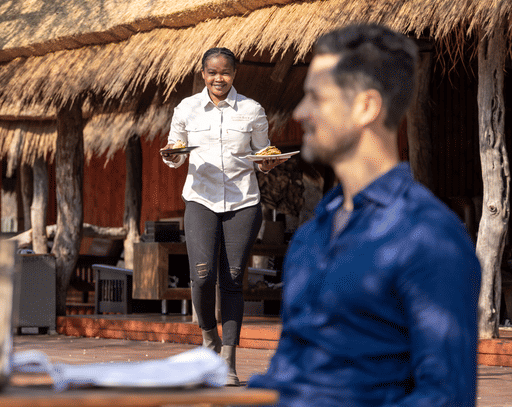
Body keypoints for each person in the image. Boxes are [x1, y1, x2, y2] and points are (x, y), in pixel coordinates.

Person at [247, 24, 480, 406]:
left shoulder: (428, 237)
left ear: (366, 107)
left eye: (316, 98)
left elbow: (445, 398)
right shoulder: (311, 237)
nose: (301, 112)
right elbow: (287, 377)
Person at [161, 47, 286, 386]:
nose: (219, 78)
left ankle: (228, 360)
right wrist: (172, 155)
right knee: (202, 277)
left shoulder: (252, 110)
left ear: (234, 74)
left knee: (232, 279)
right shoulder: (186, 109)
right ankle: (207, 337)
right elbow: (175, 151)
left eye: (226, 72)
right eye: (212, 72)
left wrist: (268, 161)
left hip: (243, 202)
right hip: (201, 200)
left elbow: (264, 152)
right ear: (203, 73)